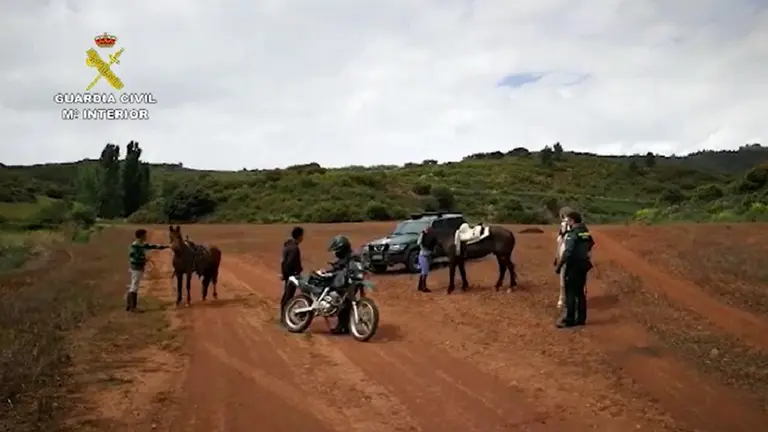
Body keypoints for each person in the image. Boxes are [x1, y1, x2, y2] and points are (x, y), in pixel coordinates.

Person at [554, 211, 594, 328]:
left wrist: (559, 266)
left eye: (568, 221)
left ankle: (569, 319)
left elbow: (567, 252)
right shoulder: (586, 233)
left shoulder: (572, 234)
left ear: (572, 221)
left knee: (570, 292)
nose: (568, 223)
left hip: (573, 266)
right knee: (580, 293)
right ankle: (581, 319)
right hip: (584, 265)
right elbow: (591, 244)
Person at [127, 229, 168, 312]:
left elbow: (151, 246)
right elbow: (132, 255)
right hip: (136, 267)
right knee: (134, 286)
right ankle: (133, 307)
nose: (146, 236)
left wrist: (165, 247)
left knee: (133, 285)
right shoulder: (136, 245)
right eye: (145, 235)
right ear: (141, 235)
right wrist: (144, 258)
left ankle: (129, 305)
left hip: (138, 267)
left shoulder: (140, 244)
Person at [326, 235, 355, 334]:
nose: (336, 252)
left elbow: (340, 268)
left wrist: (330, 271)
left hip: (346, 283)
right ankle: (345, 326)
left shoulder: (350, 258)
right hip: (351, 283)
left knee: (342, 304)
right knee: (346, 304)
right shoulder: (351, 256)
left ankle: (342, 326)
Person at [280, 226, 304, 324]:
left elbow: (284, 263)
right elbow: (289, 263)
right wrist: (288, 275)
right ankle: (284, 317)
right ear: (299, 236)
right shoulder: (294, 248)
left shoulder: (288, 246)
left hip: (288, 274)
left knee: (287, 295)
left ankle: (283, 316)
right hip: (292, 275)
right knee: (288, 296)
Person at [553, 206, 572, 309]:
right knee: (559, 240)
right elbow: (562, 231)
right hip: (565, 236)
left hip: (571, 237)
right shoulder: (564, 222)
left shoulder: (574, 221)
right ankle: (557, 256)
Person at [416, 226, 437, 292]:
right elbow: (418, 243)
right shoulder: (424, 237)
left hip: (426, 255)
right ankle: (423, 287)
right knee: (425, 272)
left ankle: (420, 286)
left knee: (424, 271)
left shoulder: (430, 238)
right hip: (423, 256)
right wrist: (422, 234)